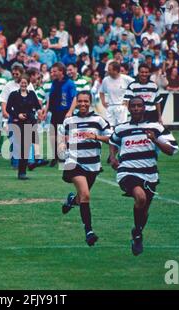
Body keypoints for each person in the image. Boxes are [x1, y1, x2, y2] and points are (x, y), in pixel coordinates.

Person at [109, 96, 179, 256]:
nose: (136, 109)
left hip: (150, 174)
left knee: (144, 209)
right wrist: (113, 157)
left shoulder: (156, 128)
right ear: (129, 108)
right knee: (140, 198)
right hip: (127, 171)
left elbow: (172, 150)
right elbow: (113, 141)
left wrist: (155, 140)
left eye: (139, 106)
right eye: (133, 106)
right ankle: (139, 234)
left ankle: (137, 232)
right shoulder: (121, 128)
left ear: (144, 108)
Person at [60, 91, 112, 246]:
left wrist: (96, 137)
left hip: (93, 165)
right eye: (80, 101)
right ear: (76, 103)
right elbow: (61, 138)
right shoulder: (69, 121)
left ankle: (71, 201)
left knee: (82, 197)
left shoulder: (99, 120)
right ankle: (89, 231)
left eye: (86, 101)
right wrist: (61, 146)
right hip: (73, 162)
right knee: (86, 195)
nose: (83, 104)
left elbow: (112, 138)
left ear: (90, 102)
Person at [6, 74, 41, 180]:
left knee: (31, 143)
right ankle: (21, 172)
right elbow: (8, 108)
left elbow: (38, 106)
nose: (24, 84)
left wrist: (38, 113)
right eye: (22, 82)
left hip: (30, 121)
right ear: (19, 83)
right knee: (22, 147)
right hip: (18, 123)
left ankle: (31, 164)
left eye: (26, 82)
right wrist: (17, 115)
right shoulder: (13, 94)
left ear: (28, 83)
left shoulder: (32, 94)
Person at [44, 62, 77, 167]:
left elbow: (74, 98)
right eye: (52, 71)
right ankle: (54, 157)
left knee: (63, 136)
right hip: (55, 112)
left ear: (61, 71)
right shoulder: (54, 83)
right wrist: (46, 110)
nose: (52, 73)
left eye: (54, 71)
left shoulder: (70, 83)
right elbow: (50, 97)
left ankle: (63, 157)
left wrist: (70, 111)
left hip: (65, 112)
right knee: (53, 135)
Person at [98, 62, 134, 129]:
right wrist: (103, 102)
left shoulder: (126, 79)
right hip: (110, 107)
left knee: (121, 128)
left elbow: (136, 87)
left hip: (122, 107)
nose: (108, 71)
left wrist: (129, 100)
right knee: (110, 128)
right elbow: (101, 92)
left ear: (116, 70)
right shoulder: (106, 80)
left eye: (109, 70)